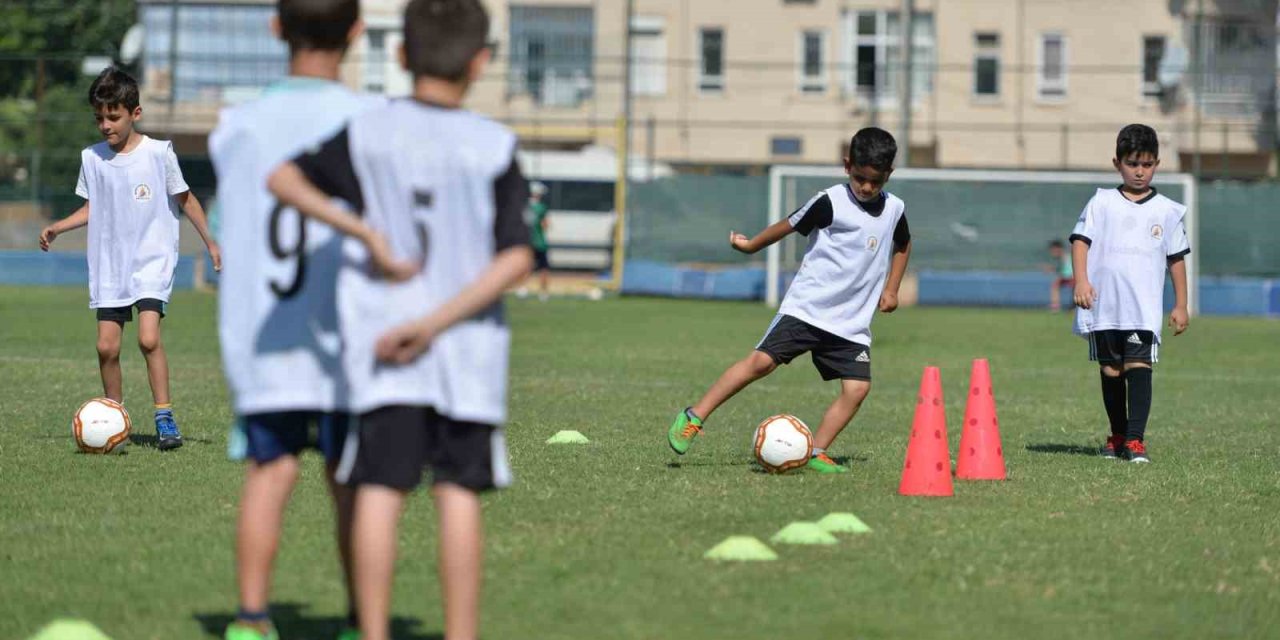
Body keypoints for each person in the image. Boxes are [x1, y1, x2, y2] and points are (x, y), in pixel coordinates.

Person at [266, 0, 533, 638]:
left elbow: (282, 179)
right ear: (481, 62)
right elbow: (517, 256)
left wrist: (365, 233)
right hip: (465, 353)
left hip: (385, 348)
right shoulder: (494, 145)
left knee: (381, 491)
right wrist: (438, 323)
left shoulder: (367, 132)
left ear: (401, 55)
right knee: (459, 494)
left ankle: (374, 630)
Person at [209, 1, 379, 638]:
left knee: (270, 470)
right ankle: (364, 619)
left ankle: (251, 620)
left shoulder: (239, 127)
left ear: (276, 27)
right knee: (350, 480)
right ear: (357, 32)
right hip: (347, 334)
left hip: (269, 332)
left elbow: (230, 222)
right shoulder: (371, 120)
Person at [666, 127, 912, 473]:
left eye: (876, 181)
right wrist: (751, 245)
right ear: (847, 166)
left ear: (889, 175)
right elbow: (789, 225)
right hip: (807, 309)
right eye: (860, 178)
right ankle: (694, 416)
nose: (867, 187)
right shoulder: (830, 202)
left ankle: (816, 451)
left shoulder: (895, 209)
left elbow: (903, 243)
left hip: (851, 323)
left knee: (857, 389)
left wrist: (892, 288)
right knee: (760, 364)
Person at [39, 66, 220, 451]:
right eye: (99, 117)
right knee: (107, 347)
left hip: (151, 260)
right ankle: (113, 415)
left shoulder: (158, 153)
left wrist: (211, 242)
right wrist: (59, 226)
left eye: (113, 117)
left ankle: (164, 417)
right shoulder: (91, 158)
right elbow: (92, 208)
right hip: (110, 263)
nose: (105, 125)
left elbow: (185, 199)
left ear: (135, 114)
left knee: (149, 338)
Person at [1070, 124, 1189, 464]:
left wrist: (1181, 304)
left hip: (1142, 308)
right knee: (1110, 371)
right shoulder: (1101, 201)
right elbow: (1081, 242)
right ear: (1117, 163)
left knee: (1139, 367)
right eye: (1133, 163)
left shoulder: (1166, 210)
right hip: (1104, 305)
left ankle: (1135, 441)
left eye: (1147, 164)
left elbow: (1176, 260)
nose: (1140, 171)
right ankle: (1118, 434)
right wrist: (1081, 281)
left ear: (1157, 164)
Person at [523, 180, 551, 300]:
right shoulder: (541, 207)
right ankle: (543, 293)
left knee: (525, 267)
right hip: (540, 242)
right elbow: (545, 225)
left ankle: (522, 289)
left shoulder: (525, 206)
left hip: (527, 242)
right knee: (543, 268)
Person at [1047, 239, 1073, 311]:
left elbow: (1069, 271)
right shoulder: (1063, 257)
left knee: (1055, 284)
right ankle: (1056, 306)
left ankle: (1055, 307)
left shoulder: (1066, 257)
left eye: (1053, 250)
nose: (1052, 252)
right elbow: (1063, 270)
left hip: (1073, 277)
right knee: (1055, 285)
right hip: (1069, 277)